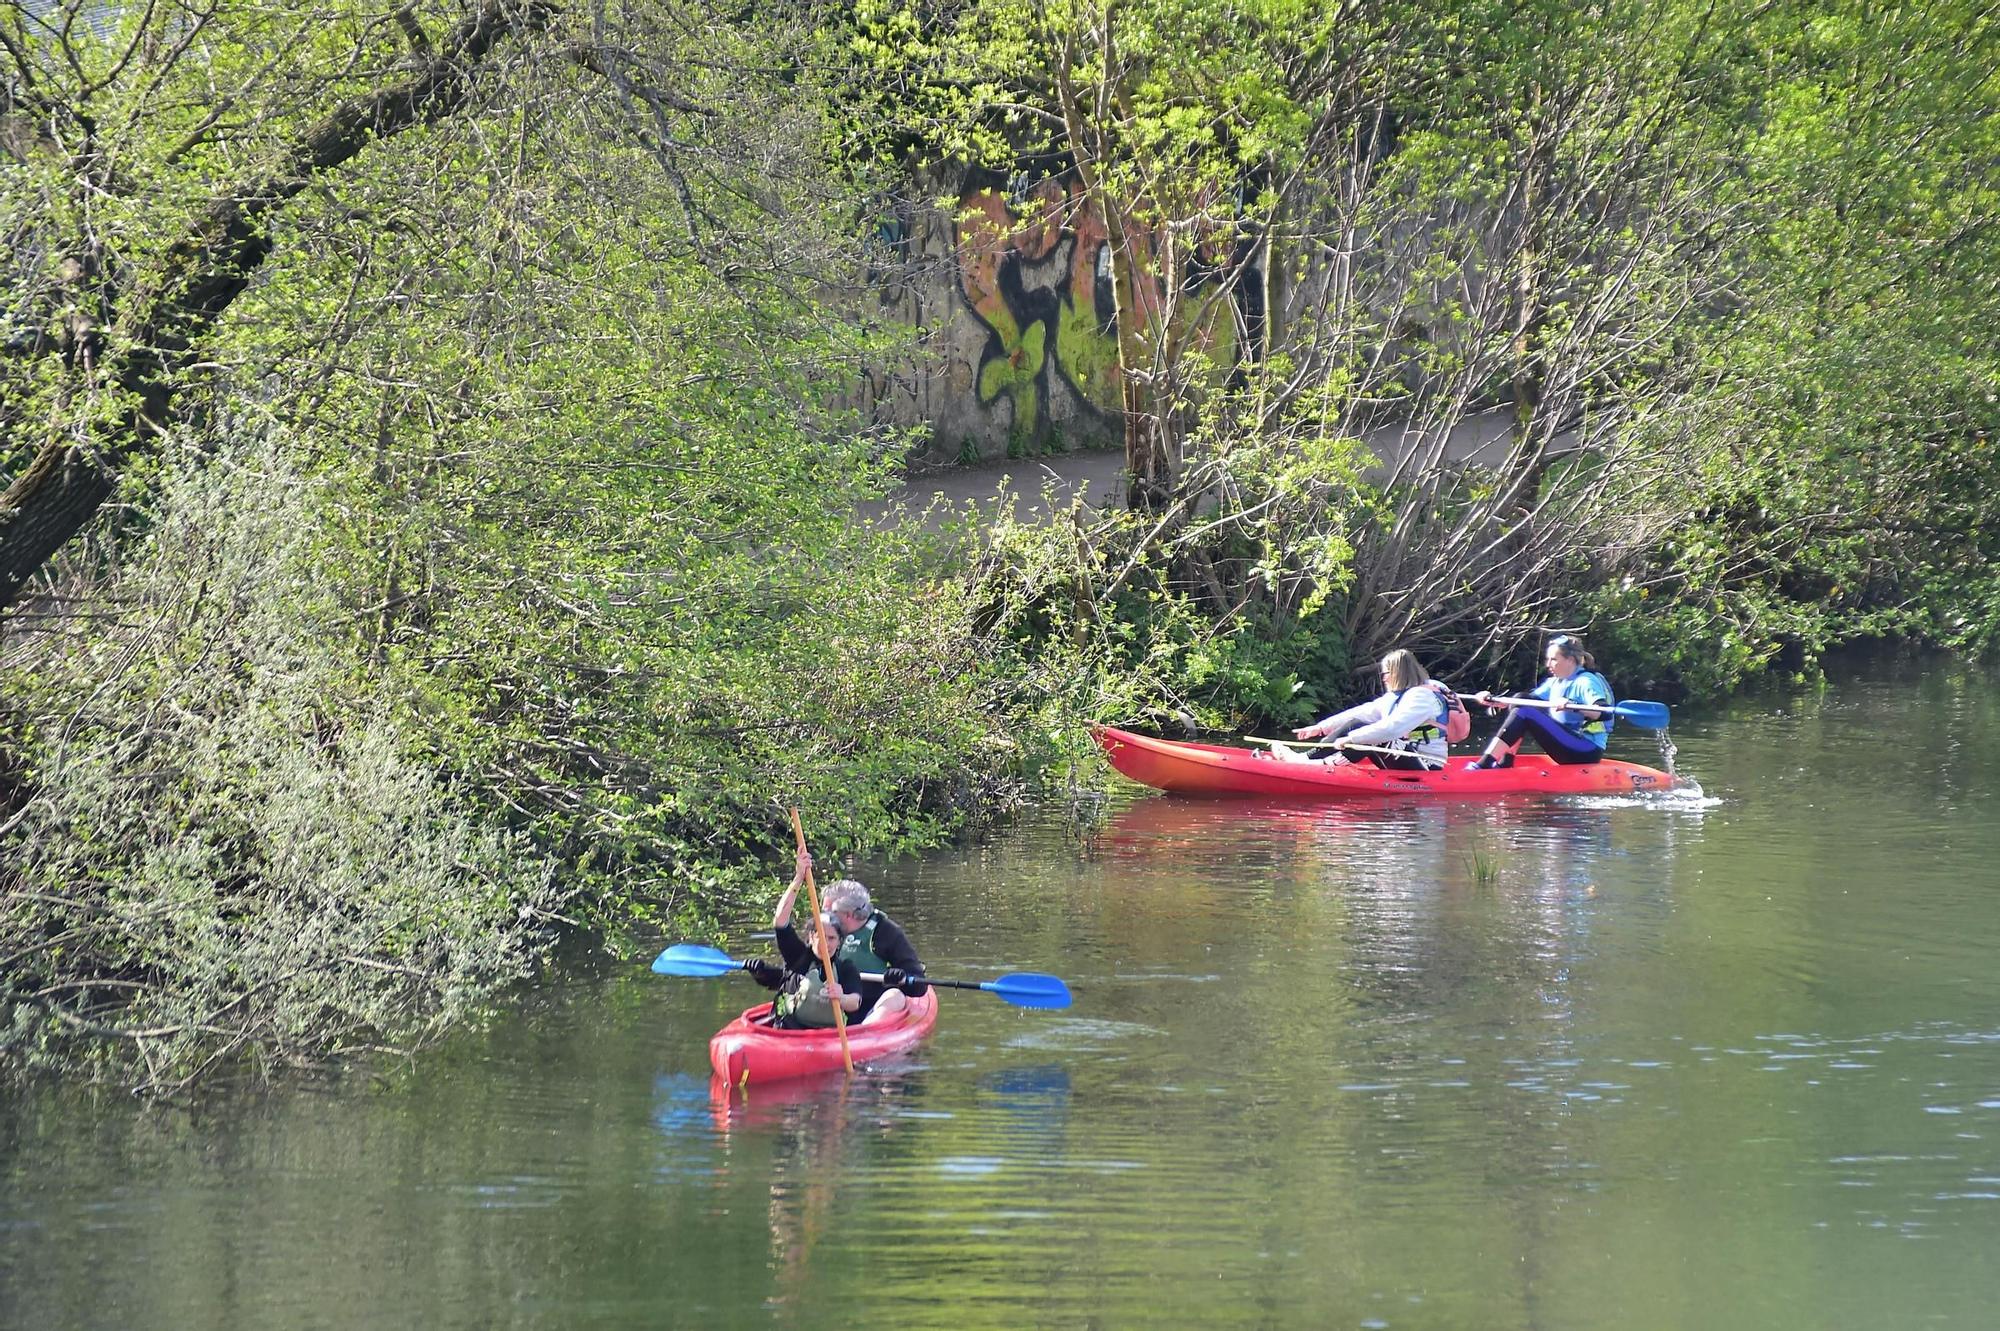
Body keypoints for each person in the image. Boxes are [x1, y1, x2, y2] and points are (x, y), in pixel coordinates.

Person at [744, 849, 864, 1029]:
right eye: (821, 937)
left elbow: (855, 1002)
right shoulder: (797, 956)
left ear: (839, 941)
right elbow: (781, 920)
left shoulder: (845, 968)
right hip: (789, 1031)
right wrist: (798, 877)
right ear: (811, 936)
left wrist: (842, 998)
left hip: (827, 1037)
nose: (826, 944)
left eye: (832, 938)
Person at [1279, 648, 1452, 770]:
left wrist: (1352, 739)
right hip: (1409, 755)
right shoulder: (1398, 696)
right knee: (1358, 723)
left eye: (1385, 674)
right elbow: (1361, 713)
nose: (1383, 679)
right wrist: (1319, 728)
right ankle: (1311, 758)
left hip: (1428, 764)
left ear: (1398, 673)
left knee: (1375, 736)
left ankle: (1315, 763)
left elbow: (1392, 729)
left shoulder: (1422, 697)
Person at [1468, 634, 1615, 769]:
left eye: (1554, 659)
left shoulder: (1586, 681)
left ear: (1570, 660)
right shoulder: (1555, 682)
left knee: (1524, 710)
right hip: (1567, 743)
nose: (1548, 664)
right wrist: (1493, 700)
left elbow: (1605, 713)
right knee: (1521, 700)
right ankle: (1505, 762)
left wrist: (1574, 706)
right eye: (1548, 659)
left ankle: (1485, 763)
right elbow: (1522, 701)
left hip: (1586, 749)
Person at [823, 877, 929, 1025]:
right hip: (834, 1000)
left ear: (848, 914)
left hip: (872, 1004)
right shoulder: (822, 932)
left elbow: (919, 987)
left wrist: (899, 979)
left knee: (895, 995)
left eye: (829, 912)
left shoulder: (887, 933)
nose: (824, 918)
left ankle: (864, 1033)